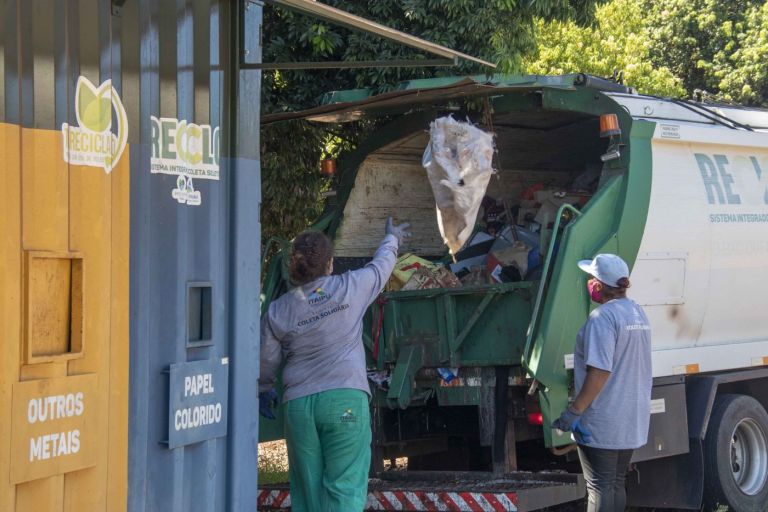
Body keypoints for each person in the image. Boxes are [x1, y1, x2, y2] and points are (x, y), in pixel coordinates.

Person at [258, 217, 410, 512]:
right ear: (329, 263)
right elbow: (380, 268)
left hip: (299, 407)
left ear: (295, 269)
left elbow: (265, 359)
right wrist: (391, 238)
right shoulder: (350, 287)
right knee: (344, 490)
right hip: (344, 402)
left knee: (308, 494)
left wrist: (263, 387)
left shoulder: (279, 309)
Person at [552, 254, 652, 512]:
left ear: (598, 286)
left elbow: (599, 372)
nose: (588, 283)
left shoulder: (602, 319)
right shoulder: (637, 313)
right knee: (615, 484)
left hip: (604, 419)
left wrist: (575, 411)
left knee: (599, 486)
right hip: (631, 417)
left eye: (590, 279)